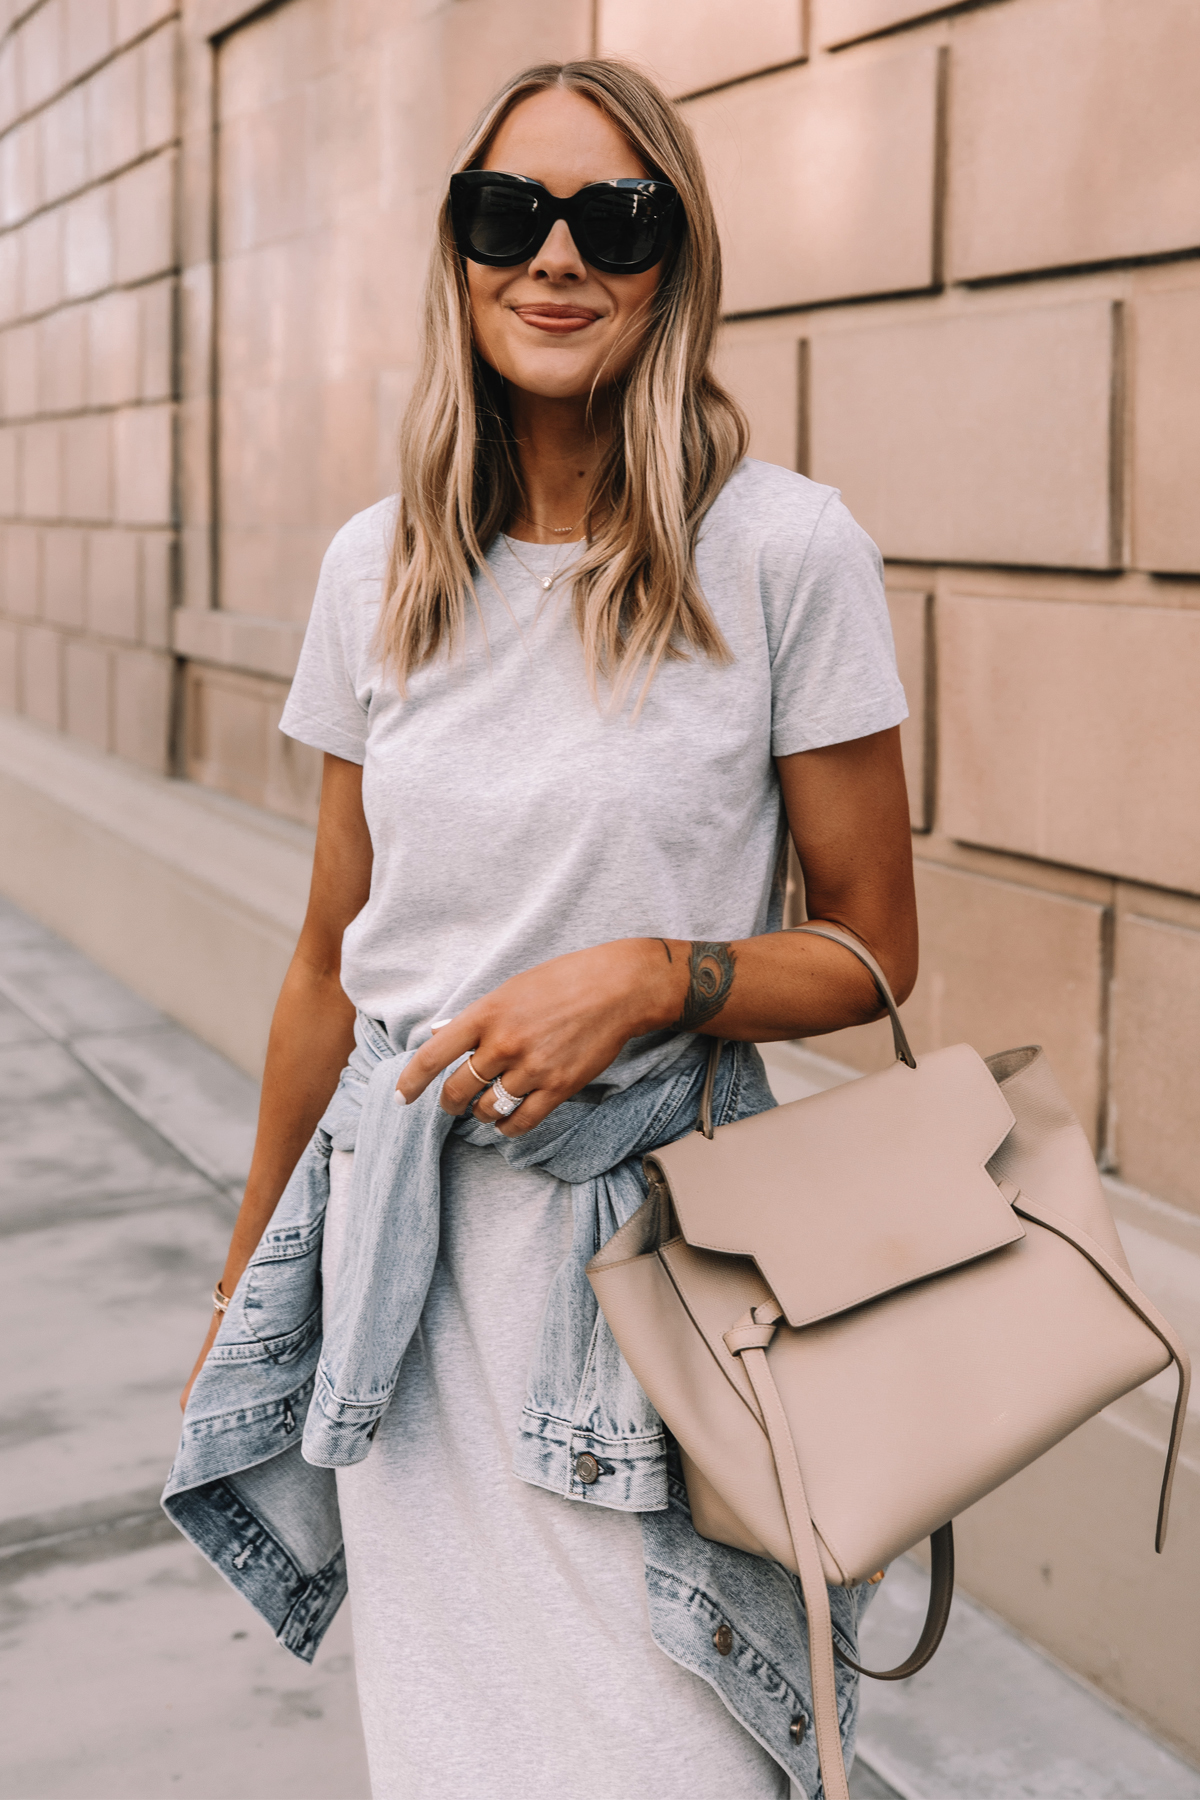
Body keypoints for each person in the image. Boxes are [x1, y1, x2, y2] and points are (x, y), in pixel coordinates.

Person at [168, 58, 916, 1800]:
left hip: (660, 1288)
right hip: (405, 1295)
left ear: (675, 260)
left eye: (614, 218)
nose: (556, 258)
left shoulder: (788, 551)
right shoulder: (380, 570)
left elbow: (876, 946)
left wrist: (662, 978)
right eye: (511, 215)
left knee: (679, 1755)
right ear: (460, 251)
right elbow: (322, 960)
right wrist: (242, 1273)